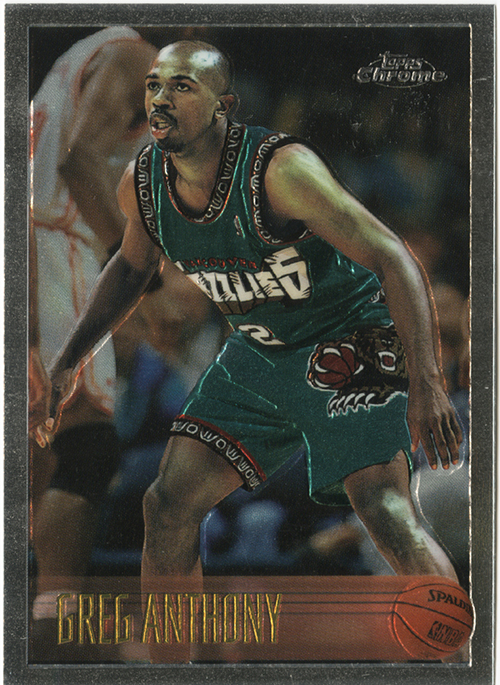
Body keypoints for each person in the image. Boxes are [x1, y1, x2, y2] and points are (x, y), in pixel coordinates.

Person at [34, 40, 463, 619]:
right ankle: (172, 662)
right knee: (167, 503)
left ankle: (456, 654)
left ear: (223, 105)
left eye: (182, 86)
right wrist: (69, 359)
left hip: (346, 336)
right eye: (154, 85)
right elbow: (132, 267)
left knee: (383, 508)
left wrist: (428, 382)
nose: (160, 98)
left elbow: (393, 257)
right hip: (260, 349)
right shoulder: (143, 182)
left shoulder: (282, 170)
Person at [29, 27, 157, 659]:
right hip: (55, 242)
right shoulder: (135, 56)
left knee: (39, 446)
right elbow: (79, 161)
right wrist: (134, 268)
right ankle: (51, 624)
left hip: (33, 235)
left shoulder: (85, 50)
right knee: (86, 443)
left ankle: (40, 620)